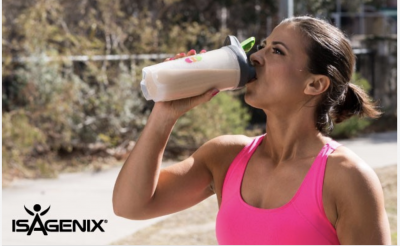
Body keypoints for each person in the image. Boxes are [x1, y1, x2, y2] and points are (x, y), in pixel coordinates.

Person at [112, 16, 391, 244]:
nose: (255, 56)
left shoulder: (347, 177)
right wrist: (164, 114)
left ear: (315, 85)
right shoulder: (226, 156)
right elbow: (130, 206)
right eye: (262, 46)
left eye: (277, 51)